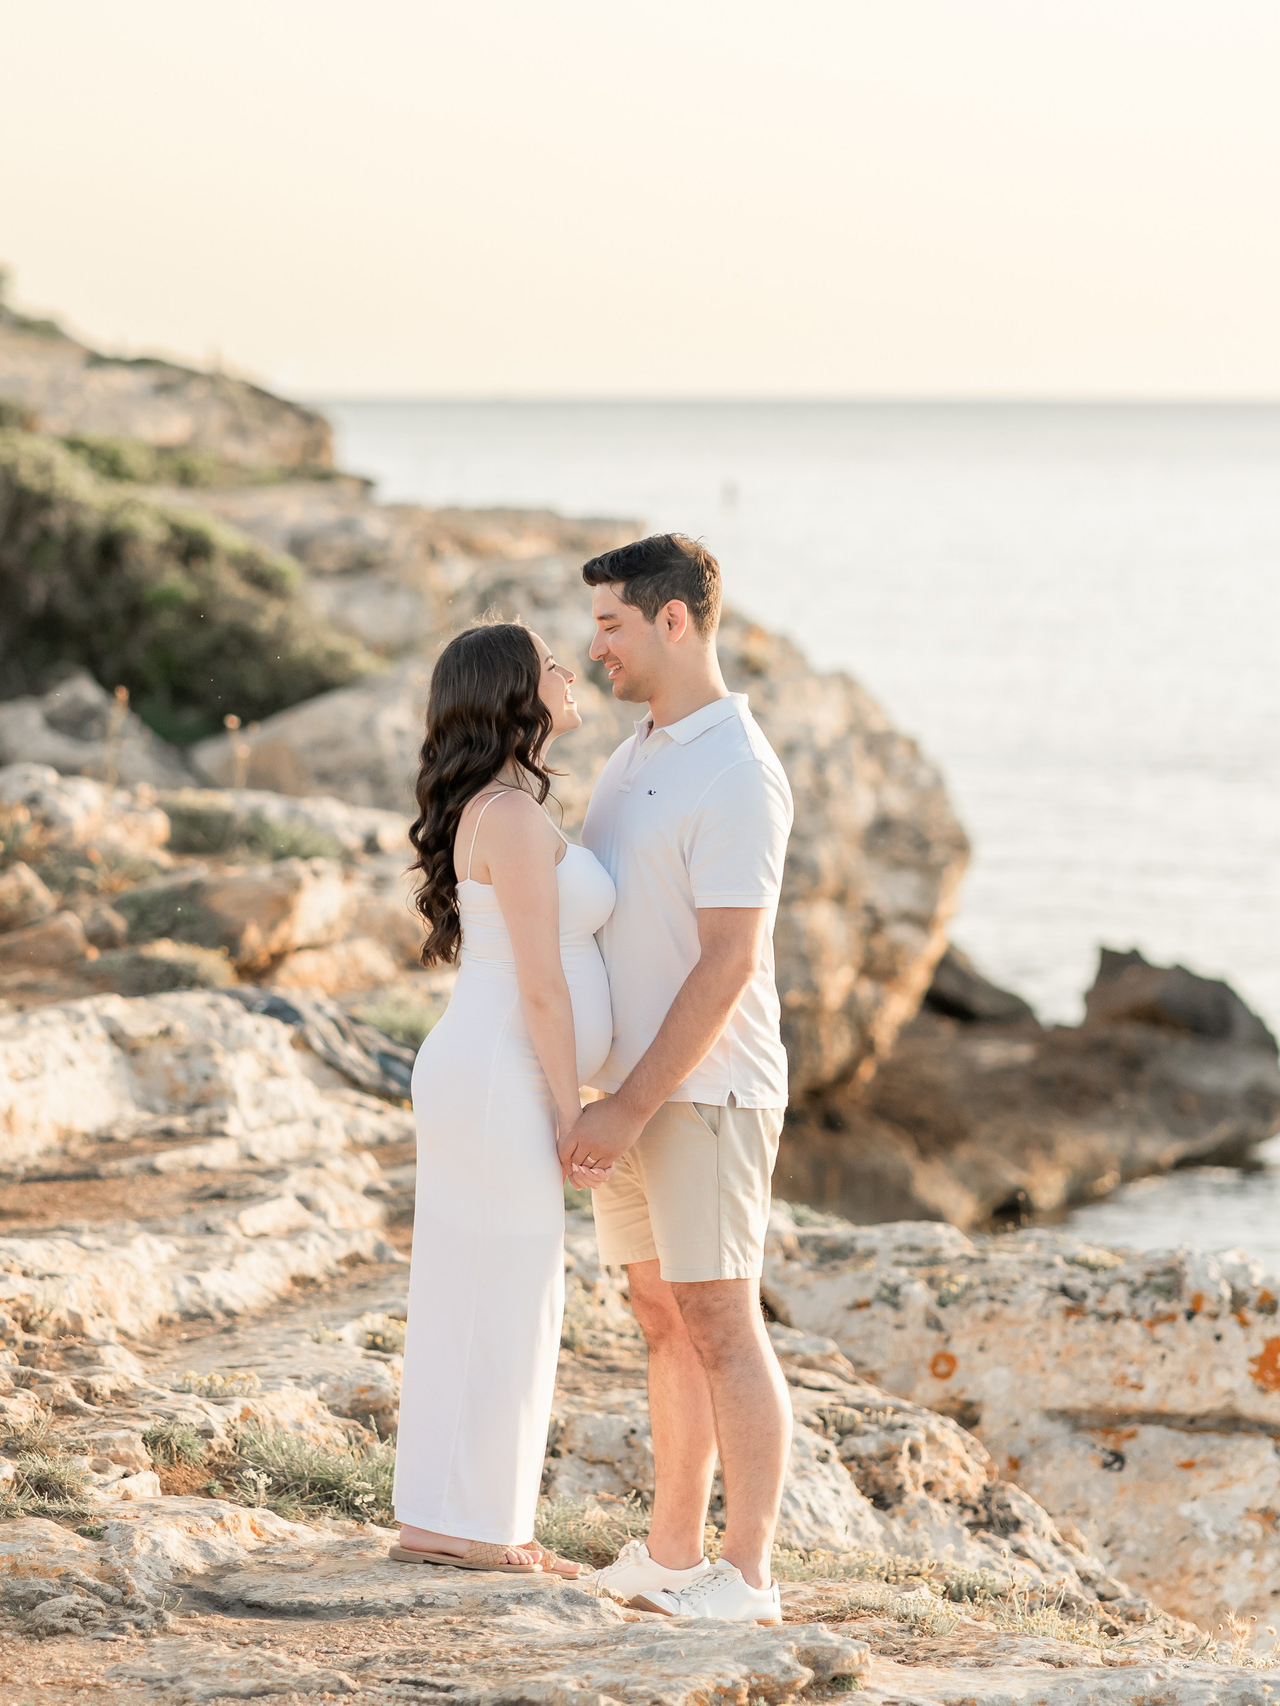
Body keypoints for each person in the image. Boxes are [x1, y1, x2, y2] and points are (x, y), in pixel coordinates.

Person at [561, 534, 796, 1625]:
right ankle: (669, 1552)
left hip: (704, 1089)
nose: (593, 643)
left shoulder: (736, 768)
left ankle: (746, 1577)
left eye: (609, 622)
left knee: (717, 1315)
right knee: (659, 1312)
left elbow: (729, 961)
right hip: (633, 1086)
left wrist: (626, 1101)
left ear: (672, 621)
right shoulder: (631, 753)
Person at [388, 621, 613, 1577]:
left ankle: (446, 1518)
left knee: (467, 1290)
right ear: (518, 691)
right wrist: (574, 1111)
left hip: (484, 1071)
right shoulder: (512, 819)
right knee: (509, 1293)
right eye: (550, 660)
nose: (568, 670)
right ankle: (483, 1528)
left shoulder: (510, 805)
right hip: (500, 1077)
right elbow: (541, 986)